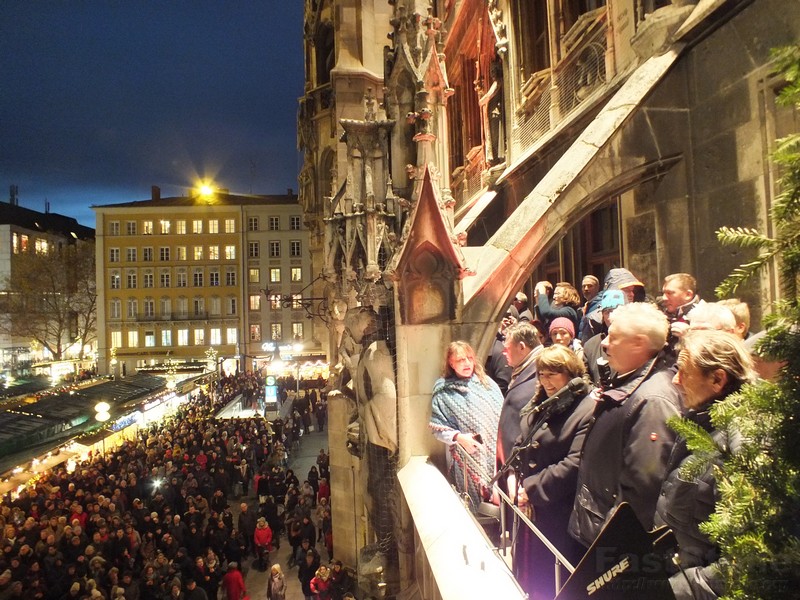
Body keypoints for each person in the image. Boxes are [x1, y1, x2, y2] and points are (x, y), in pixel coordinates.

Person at [569, 302, 683, 549]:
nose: (605, 343)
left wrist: (609, 548)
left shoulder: (653, 400)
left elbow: (640, 492)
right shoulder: (629, 380)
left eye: (614, 336)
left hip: (608, 543)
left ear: (638, 343)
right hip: (594, 526)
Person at [655, 329, 757, 599]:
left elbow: (749, 557)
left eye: (684, 372)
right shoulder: (701, 420)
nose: (675, 381)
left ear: (717, 379)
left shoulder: (743, 444)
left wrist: (675, 590)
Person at [514, 345, 595, 600]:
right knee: (533, 573)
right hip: (534, 508)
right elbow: (522, 440)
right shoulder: (540, 402)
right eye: (541, 374)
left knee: (555, 577)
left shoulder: (586, 408)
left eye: (553, 374)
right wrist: (511, 477)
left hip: (561, 509)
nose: (546, 381)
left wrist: (530, 487)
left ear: (570, 374)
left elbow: (574, 464)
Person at [429, 341, 503, 512]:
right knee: (472, 508)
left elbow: (501, 417)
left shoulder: (488, 384)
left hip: (493, 455)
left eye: (470, 358)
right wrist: (458, 437)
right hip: (466, 459)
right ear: (451, 363)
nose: (467, 363)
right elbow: (437, 429)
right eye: (461, 360)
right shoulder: (443, 390)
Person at [497, 322, 542, 466]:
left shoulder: (541, 372)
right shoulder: (524, 369)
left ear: (521, 347)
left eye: (507, 349)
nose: (504, 353)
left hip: (522, 464)